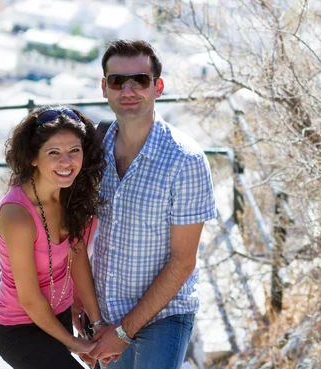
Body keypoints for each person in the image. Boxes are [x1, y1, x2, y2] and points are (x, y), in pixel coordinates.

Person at [86, 39, 217, 369]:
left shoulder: (185, 160)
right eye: (117, 81)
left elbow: (182, 261)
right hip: (105, 310)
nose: (128, 89)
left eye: (140, 80)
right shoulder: (93, 150)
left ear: (157, 86)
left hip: (164, 313)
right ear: (105, 87)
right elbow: (75, 232)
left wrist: (124, 333)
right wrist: (80, 301)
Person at [0, 105, 107, 369]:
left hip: (59, 314)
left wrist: (97, 324)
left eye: (74, 151)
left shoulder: (69, 195)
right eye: (54, 152)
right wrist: (74, 343)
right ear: (33, 157)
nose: (67, 162)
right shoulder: (17, 215)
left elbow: (78, 262)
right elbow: (29, 298)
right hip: (17, 329)